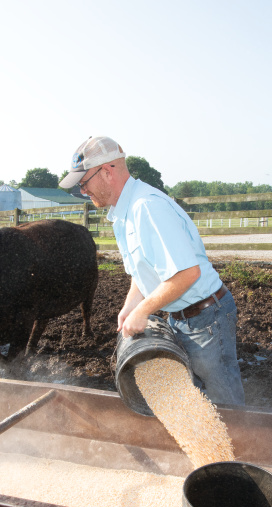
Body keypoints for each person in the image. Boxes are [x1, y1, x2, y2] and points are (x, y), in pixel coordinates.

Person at [59, 136, 245, 406]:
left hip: (205, 318)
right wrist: (130, 306)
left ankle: (241, 444)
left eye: (84, 182)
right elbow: (142, 269)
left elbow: (186, 274)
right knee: (199, 401)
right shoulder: (124, 213)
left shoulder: (146, 208)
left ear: (108, 171)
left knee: (223, 402)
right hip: (183, 316)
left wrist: (144, 310)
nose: (84, 191)